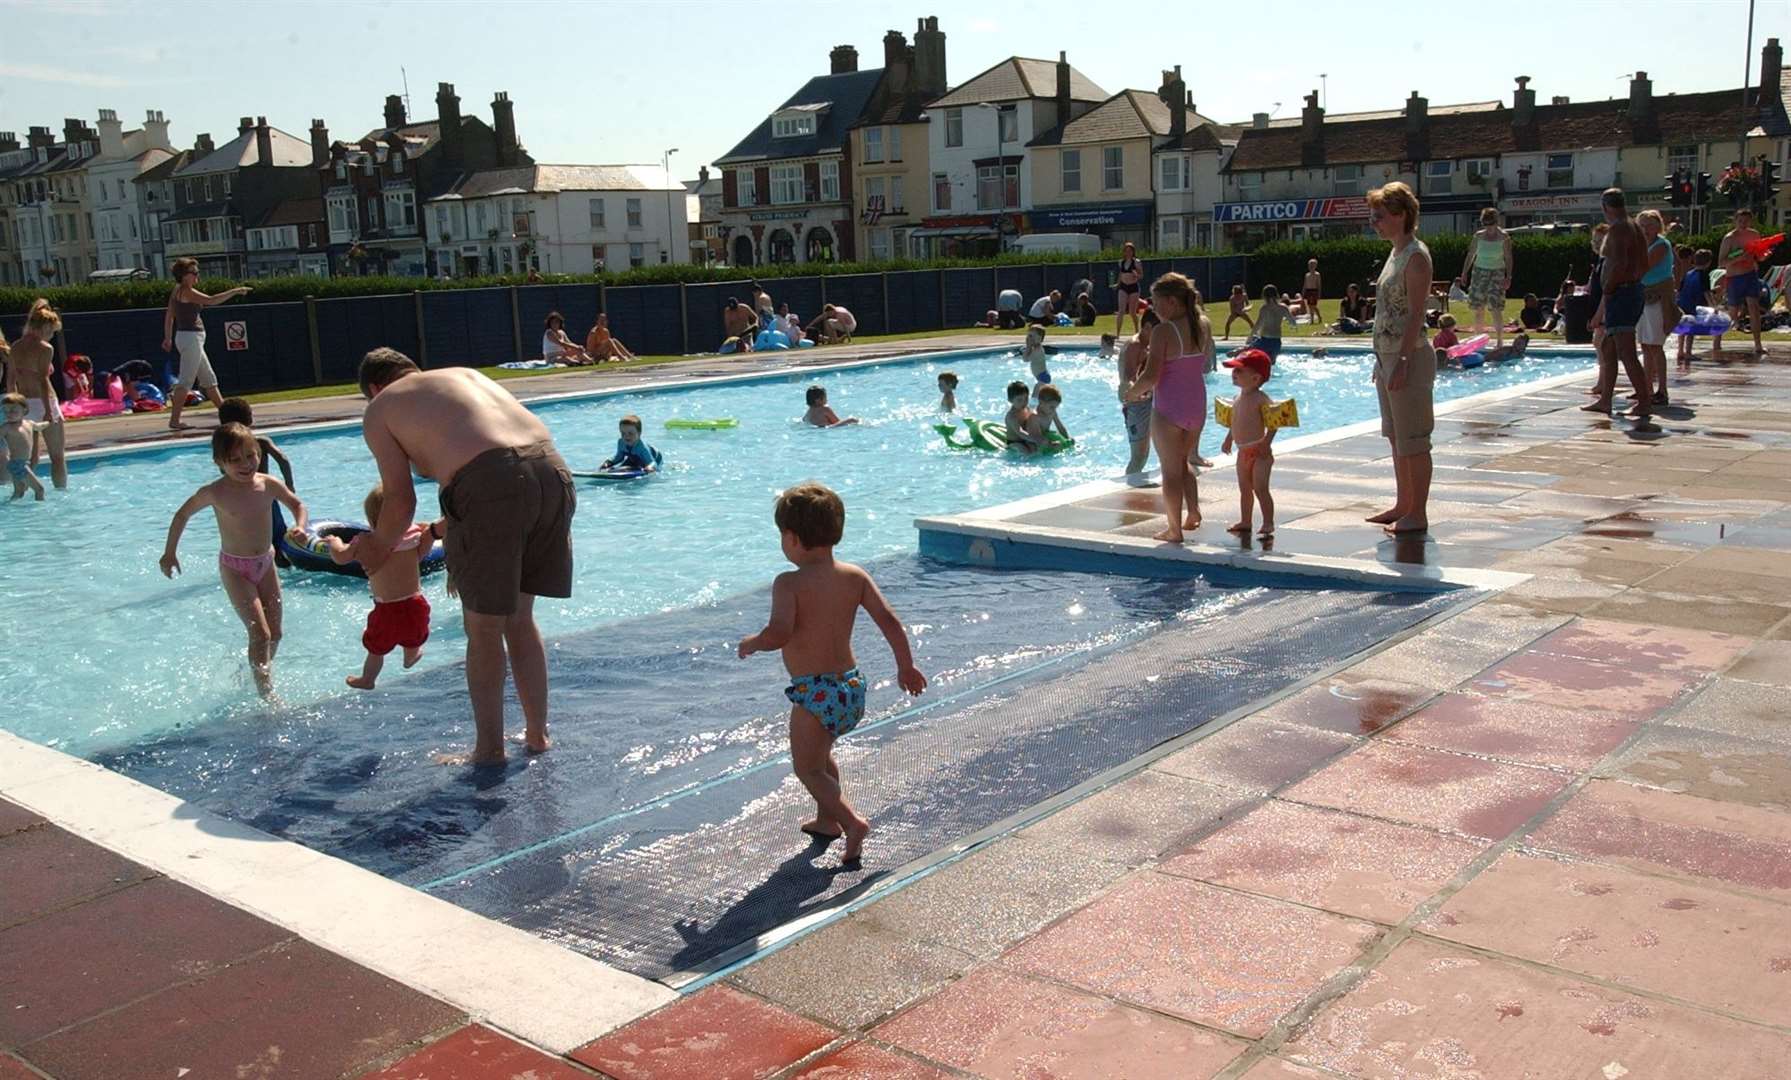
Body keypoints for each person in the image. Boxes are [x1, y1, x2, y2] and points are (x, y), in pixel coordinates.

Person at [350, 349, 576, 765]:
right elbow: (496, 459)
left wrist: (378, 548)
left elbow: (401, 499)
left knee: (484, 629)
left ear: (375, 389)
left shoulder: (382, 406)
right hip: (553, 472)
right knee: (521, 618)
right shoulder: (460, 375)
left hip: (492, 484)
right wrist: (439, 531)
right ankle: (537, 735)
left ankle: (489, 750)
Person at [737, 482, 927, 865]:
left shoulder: (788, 583)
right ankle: (828, 820)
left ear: (791, 538)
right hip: (850, 687)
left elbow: (780, 634)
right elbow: (889, 621)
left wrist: (753, 642)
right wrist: (905, 666)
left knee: (806, 767)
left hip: (814, 692)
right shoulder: (854, 576)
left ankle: (851, 821)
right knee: (822, 758)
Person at [159, 423, 308, 697]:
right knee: (260, 634)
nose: (245, 464)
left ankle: (257, 670)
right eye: (235, 460)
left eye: (250, 456)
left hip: (266, 563)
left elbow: (297, 504)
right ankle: (266, 693)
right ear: (219, 462)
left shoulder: (268, 484)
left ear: (259, 455)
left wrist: (299, 525)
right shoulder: (215, 492)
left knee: (275, 633)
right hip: (235, 568)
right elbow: (182, 515)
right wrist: (169, 553)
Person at [1365, 181, 1435, 536]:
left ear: (1401, 215)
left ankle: (1417, 513)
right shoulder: (1397, 252)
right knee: (1396, 437)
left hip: (1409, 358)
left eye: (1379, 216)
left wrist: (1404, 362)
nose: (1374, 222)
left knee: (1413, 440)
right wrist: (1383, 363)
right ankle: (1403, 503)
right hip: (1388, 358)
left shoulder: (1416, 257)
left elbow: (1417, 314)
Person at [1124, 272, 1211, 543]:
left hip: (1169, 409)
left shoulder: (1164, 331)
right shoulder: (1203, 324)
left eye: (1156, 301)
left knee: (1170, 471)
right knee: (1183, 461)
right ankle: (1193, 512)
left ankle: (1174, 530)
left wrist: (1130, 393)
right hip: (1196, 405)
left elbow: (1151, 376)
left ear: (1172, 302)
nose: (1153, 307)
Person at [329, 483, 435, 690]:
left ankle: (368, 679)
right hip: (416, 602)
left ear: (371, 520)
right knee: (414, 635)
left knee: (376, 649)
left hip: (386, 608)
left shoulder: (366, 542)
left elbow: (340, 558)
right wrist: (427, 532)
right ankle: (410, 656)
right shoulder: (413, 536)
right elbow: (422, 553)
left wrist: (334, 543)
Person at [1581, 189, 1652, 423]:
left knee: (1627, 352)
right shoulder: (1634, 227)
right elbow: (1643, 263)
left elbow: (1620, 264)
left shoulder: (1620, 229)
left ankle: (1643, 402)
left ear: (1605, 208)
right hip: (1629, 290)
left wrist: (1610, 288)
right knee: (1608, 348)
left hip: (1622, 293)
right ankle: (1605, 400)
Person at [161, 257, 250, 432]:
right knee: (185, 381)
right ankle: (175, 420)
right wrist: (236, 291)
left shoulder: (177, 290)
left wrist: (168, 337)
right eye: (194, 273)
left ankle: (228, 418)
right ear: (184, 275)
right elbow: (211, 300)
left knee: (209, 379)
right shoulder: (186, 292)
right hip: (190, 339)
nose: (197, 276)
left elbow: (169, 315)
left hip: (189, 339)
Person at [216, 397, 298, 567]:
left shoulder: (224, 449)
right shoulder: (260, 441)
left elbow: (223, 471)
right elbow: (282, 459)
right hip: (265, 494)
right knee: (278, 536)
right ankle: (283, 564)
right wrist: (289, 485)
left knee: (251, 539)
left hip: (240, 500)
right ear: (250, 418)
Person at [3, 300, 67, 489]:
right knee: (57, 456)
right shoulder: (45, 348)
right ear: (46, 326)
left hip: (24, 404)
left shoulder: (15, 346)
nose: (52, 335)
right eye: (52, 331)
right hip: (44, 401)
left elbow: (10, 380)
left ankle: (21, 491)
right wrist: (48, 411)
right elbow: (42, 380)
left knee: (29, 457)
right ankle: (62, 493)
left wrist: (12, 407)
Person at [1220, 348, 1280, 538]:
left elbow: (1273, 422)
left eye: (1239, 371)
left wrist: (1266, 442)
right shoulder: (1238, 398)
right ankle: (1246, 521)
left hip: (1260, 452)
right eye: (1234, 370)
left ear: (1255, 379)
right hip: (1242, 452)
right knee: (1245, 489)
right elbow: (1235, 422)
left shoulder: (1261, 399)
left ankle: (1268, 522)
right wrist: (1229, 439)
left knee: (1260, 488)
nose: (1234, 374)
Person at [1635, 209, 1676, 407]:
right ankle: (1647, 387)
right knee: (1644, 344)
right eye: (1642, 225)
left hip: (1657, 297)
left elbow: (1643, 266)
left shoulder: (1661, 245)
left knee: (1655, 345)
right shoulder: (1641, 245)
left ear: (1658, 226)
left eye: (1650, 225)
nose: (1646, 229)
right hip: (1643, 296)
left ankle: (1662, 390)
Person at [1461, 208, 1512, 349]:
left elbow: (1508, 258)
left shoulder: (1504, 237)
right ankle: (1478, 340)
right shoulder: (1478, 236)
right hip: (1479, 272)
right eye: (1486, 225)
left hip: (1497, 273)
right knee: (1478, 308)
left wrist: (1509, 276)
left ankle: (1500, 341)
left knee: (1496, 308)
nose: (1489, 228)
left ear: (1497, 223)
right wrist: (1464, 272)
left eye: (1491, 225)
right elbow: (1471, 255)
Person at [1117, 308, 1158, 481]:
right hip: (1136, 405)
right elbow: (1128, 378)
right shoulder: (1135, 345)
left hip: (1147, 400)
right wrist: (1137, 394)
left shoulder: (1148, 345)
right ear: (1147, 327)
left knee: (1145, 453)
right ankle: (1129, 488)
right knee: (1139, 456)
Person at [1719, 209, 1765, 356]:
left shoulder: (1754, 234)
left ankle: (1758, 344)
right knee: (1733, 313)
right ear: (1735, 221)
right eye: (1740, 221)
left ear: (1750, 221)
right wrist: (1739, 258)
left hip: (1751, 274)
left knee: (1754, 308)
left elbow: (1759, 255)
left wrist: (1762, 255)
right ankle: (1717, 338)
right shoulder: (1729, 238)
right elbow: (1721, 262)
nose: (1743, 224)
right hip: (1735, 277)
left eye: (1746, 221)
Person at [1, 393, 45, 501]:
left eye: (13, 411)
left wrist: (49, 421)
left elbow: (39, 426)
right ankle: (41, 512)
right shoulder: (6, 428)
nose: (9, 414)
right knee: (39, 489)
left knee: (19, 491)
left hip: (24, 463)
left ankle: (7, 510)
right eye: (5, 411)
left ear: (24, 410)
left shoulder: (29, 423)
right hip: (17, 464)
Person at [1677, 249, 1715, 370]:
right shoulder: (1704, 275)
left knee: (1683, 327)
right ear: (1708, 263)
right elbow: (1706, 292)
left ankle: (1680, 351)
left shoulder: (1688, 273)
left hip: (1682, 302)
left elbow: (1680, 289)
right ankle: (1688, 352)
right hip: (1693, 303)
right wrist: (1713, 306)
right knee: (1691, 329)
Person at [1247, 285, 1291, 361]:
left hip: (1265, 340)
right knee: (1271, 363)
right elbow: (1292, 322)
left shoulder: (1264, 308)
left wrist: (1249, 338)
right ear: (1276, 295)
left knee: (1259, 362)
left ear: (1264, 296)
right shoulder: (1283, 307)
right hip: (1276, 341)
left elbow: (1258, 325)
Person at [1026, 384, 1070, 451]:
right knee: (1034, 449)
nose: (1054, 409)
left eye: (1055, 407)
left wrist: (1067, 440)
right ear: (1041, 403)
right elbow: (1036, 436)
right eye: (1051, 407)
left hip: (1045, 435)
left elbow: (1060, 427)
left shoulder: (1052, 412)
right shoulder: (1034, 417)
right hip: (1033, 438)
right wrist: (1050, 444)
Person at [1114, 242, 1143, 335]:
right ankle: (1117, 333)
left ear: (1133, 252)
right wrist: (1117, 284)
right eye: (1126, 251)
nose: (1128, 253)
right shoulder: (1121, 262)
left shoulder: (1136, 262)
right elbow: (1121, 274)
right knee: (1121, 310)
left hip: (1133, 287)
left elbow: (1141, 275)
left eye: (1130, 251)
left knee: (1132, 312)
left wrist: (1136, 275)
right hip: (1123, 286)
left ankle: (1136, 330)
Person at [1002, 380, 1036, 450]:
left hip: (1025, 439)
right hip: (1014, 442)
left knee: (1034, 448)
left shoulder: (1026, 409)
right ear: (1010, 400)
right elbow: (1020, 432)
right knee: (1023, 450)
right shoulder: (1011, 416)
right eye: (1019, 400)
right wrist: (1036, 439)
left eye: (1026, 399)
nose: (1023, 402)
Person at [1302, 259, 1323, 325]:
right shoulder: (1307, 275)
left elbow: (1319, 285)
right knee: (1310, 306)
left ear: (1315, 266)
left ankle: (1314, 319)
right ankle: (1316, 318)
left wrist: (1319, 293)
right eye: (1310, 265)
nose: (1311, 266)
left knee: (1313, 306)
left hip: (1314, 291)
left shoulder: (1317, 274)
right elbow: (1305, 284)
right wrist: (1303, 292)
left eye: (1313, 264)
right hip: (1308, 291)